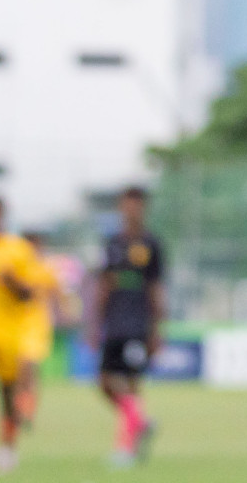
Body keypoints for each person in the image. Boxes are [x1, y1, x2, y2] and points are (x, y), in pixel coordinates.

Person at [92, 186, 165, 467]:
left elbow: (157, 288)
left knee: (133, 384)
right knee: (104, 382)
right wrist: (94, 324)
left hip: (139, 323)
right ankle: (141, 421)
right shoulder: (112, 243)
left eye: (137, 204)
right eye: (127, 204)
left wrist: (157, 329)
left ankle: (126, 448)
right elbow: (103, 285)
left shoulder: (152, 244)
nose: (132, 209)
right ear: (121, 207)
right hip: (114, 322)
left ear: (143, 208)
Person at [0, 199, 40, 474]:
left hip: (8, 334)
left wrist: (13, 283)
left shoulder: (18, 250)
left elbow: (31, 293)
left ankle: (7, 448)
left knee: (9, 394)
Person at [14, 232, 61, 438]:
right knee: (17, 372)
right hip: (16, 325)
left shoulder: (45, 270)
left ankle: (27, 410)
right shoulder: (18, 269)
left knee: (29, 368)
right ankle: (18, 408)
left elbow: (57, 294)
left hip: (38, 326)